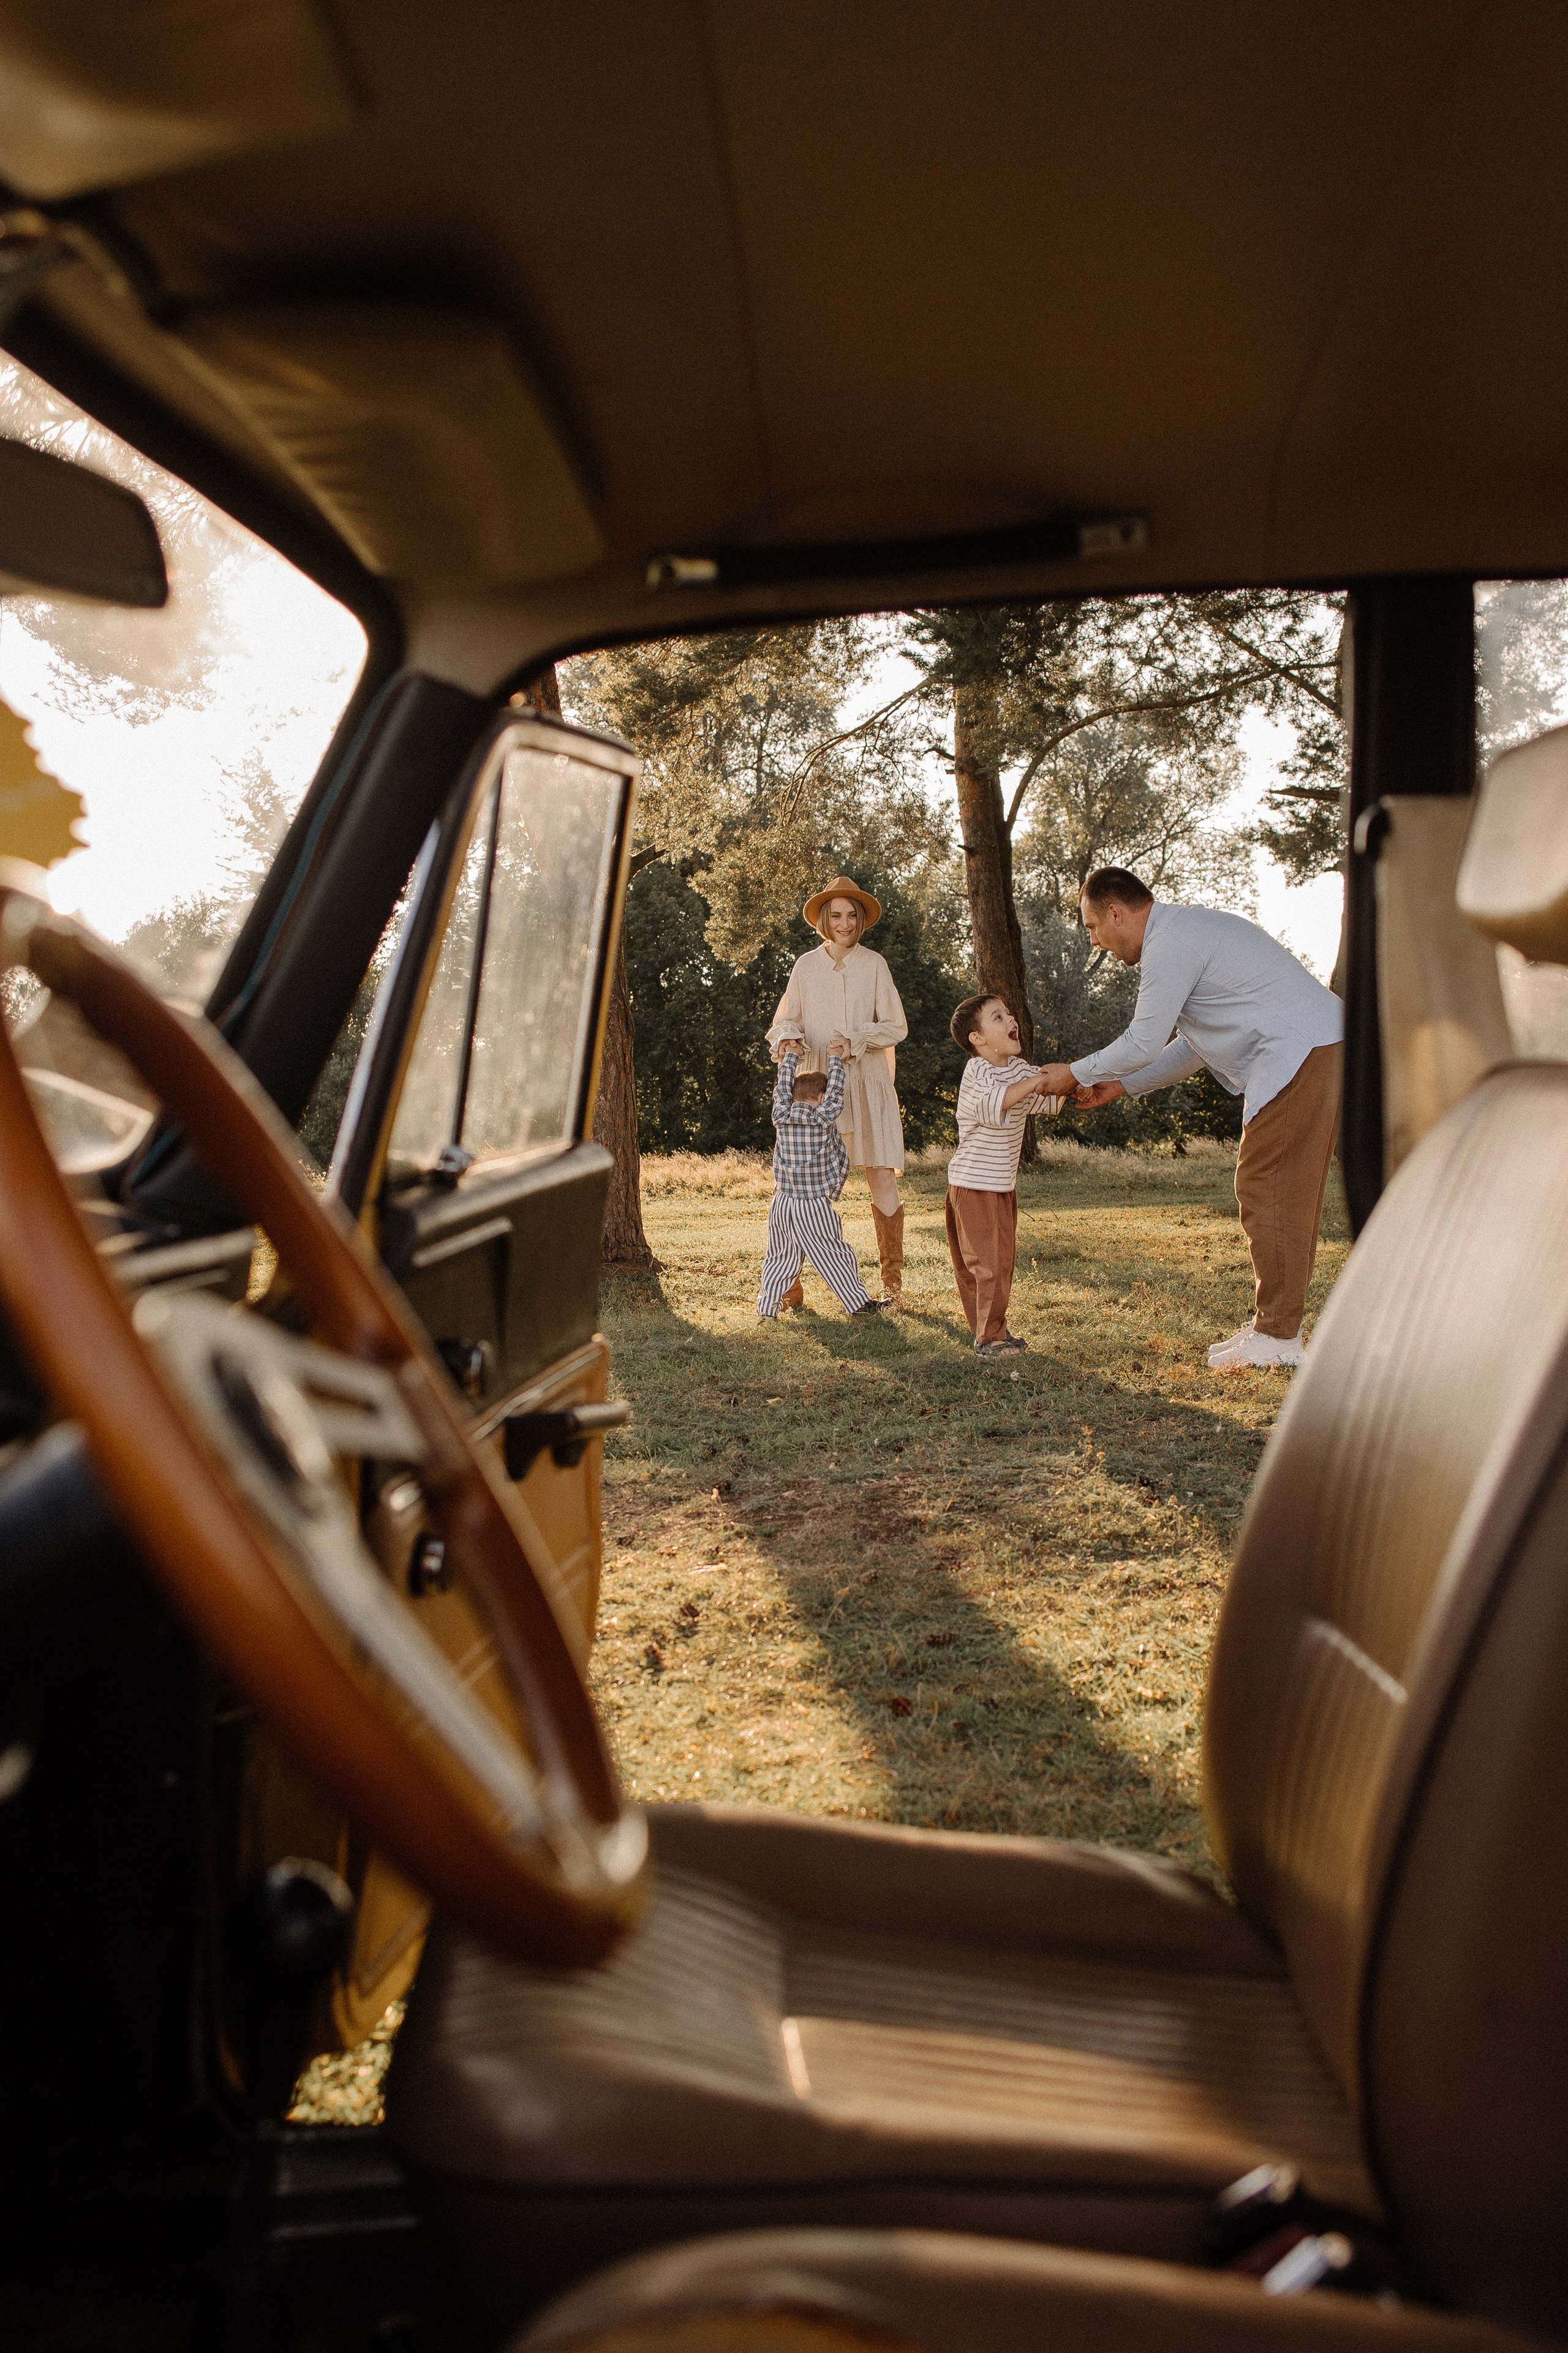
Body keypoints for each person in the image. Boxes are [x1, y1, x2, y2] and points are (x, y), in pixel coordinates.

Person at [1036, 867, 1344, 1372]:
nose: (1095, 941)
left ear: (1117, 912)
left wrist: (1074, 1073)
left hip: (1303, 1050)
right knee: (1274, 1189)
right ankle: (1275, 1326)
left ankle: (1279, 1336)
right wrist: (1120, 1084)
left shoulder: (1170, 943)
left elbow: (1142, 1040)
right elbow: (1191, 1049)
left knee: (1267, 1186)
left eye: (1093, 927)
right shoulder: (1180, 933)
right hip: (1312, 1046)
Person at [767, 876, 908, 1304]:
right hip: (814, 1086)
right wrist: (787, 1038)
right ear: (825, 920)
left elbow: (897, 1026)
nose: (845, 923)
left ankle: (892, 1284)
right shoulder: (805, 966)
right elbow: (784, 1021)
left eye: (851, 915)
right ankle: (788, 1284)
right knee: (796, 1183)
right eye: (836, 915)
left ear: (860, 919)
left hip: (867, 1082)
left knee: (881, 1173)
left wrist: (857, 1039)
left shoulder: (875, 964)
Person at [945, 992, 1061, 1357]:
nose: (1011, 1020)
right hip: (971, 1185)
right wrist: (1037, 1079)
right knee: (984, 1266)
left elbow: (1049, 1099)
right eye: (998, 1017)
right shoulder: (977, 1071)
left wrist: (1072, 1082)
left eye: (1009, 1014)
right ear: (977, 1039)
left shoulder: (1021, 1070)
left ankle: (993, 1331)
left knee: (1001, 1263)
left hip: (1001, 1186)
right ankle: (988, 1338)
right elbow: (997, 1102)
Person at [757, 1042, 883, 1320]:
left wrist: (790, 1056)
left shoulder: (781, 1116)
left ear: (793, 1096)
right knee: (833, 1253)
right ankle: (859, 1304)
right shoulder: (821, 1118)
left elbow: (781, 1089)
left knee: (780, 1257)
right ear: (822, 1097)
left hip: (781, 1203)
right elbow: (837, 1094)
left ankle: (767, 1309)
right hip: (812, 1205)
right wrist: (836, 1059)